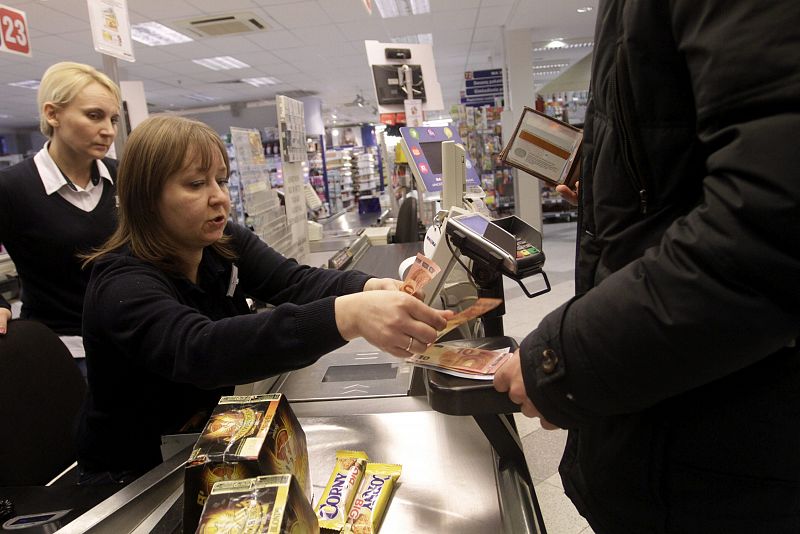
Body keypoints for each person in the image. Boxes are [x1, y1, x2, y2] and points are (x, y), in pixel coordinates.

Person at [494, 1, 800, 532]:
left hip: (722, 461)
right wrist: (608, 171)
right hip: (669, 430)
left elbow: (771, 228)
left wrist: (559, 361)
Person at [76, 115, 450, 483]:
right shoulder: (121, 284)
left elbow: (293, 281)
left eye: (221, 180)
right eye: (195, 184)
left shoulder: (222, 243)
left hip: (207, 444)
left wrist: (367, 288)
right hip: (136, 479)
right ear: (146, 198)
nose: (218, 197)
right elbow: (201, 350)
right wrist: (347, 316)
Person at [0, 62, 120, 366]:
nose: (108, 130)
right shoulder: (13, 187)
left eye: (113, 119)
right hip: (63, 353)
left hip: (131, 338)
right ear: (52, 114)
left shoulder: (122, 177)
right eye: (94, 116)